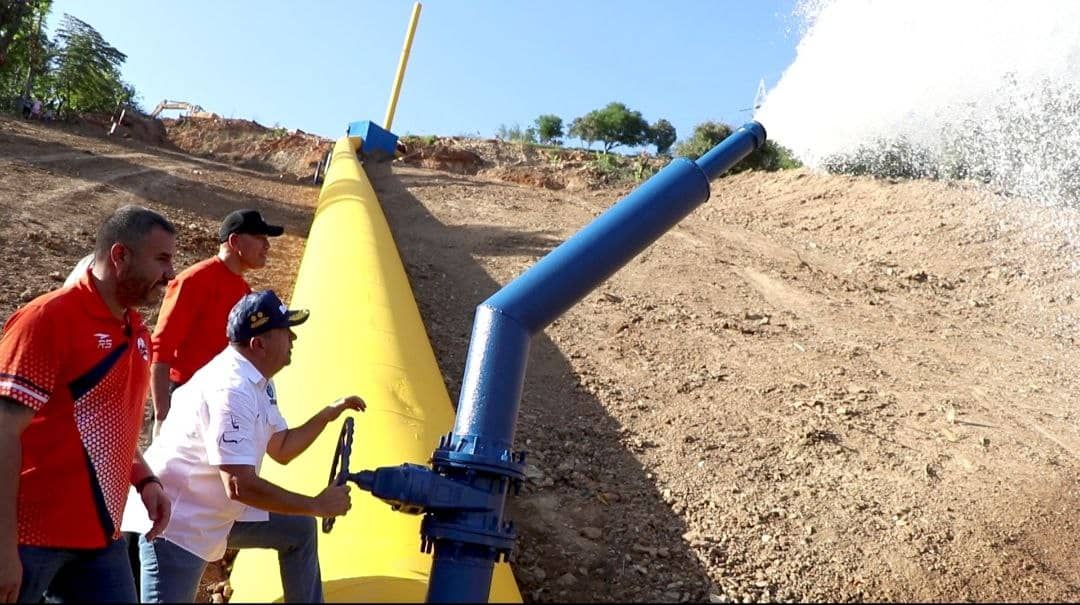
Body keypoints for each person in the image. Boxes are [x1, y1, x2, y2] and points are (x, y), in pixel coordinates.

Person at [128, 290, 363, 603]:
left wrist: (327, 415)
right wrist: (316, 504)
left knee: (298, 530)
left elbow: (282, 448)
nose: (293, 338)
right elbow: (239, 485)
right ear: (258, 344)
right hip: (177, 524)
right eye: (285, 330)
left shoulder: (259, 380)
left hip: (214, 510)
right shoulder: (232, 390)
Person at [0, 205, 176, 603]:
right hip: (29, 537)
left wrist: (144, 479)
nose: (171, 274)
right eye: (162, 259)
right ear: (120, 256)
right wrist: (3, 547)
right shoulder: (47, 319)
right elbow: (3, 431)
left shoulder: (136, 331)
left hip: (99, 538)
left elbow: (110, 424)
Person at [150, 209, 284, 435]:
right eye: (259, 237)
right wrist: (162, 415)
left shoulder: (245, 292)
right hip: (184, 397)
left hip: (218, 400)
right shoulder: (194, 280)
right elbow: (161, 349)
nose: (267, 246)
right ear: (235, 241)